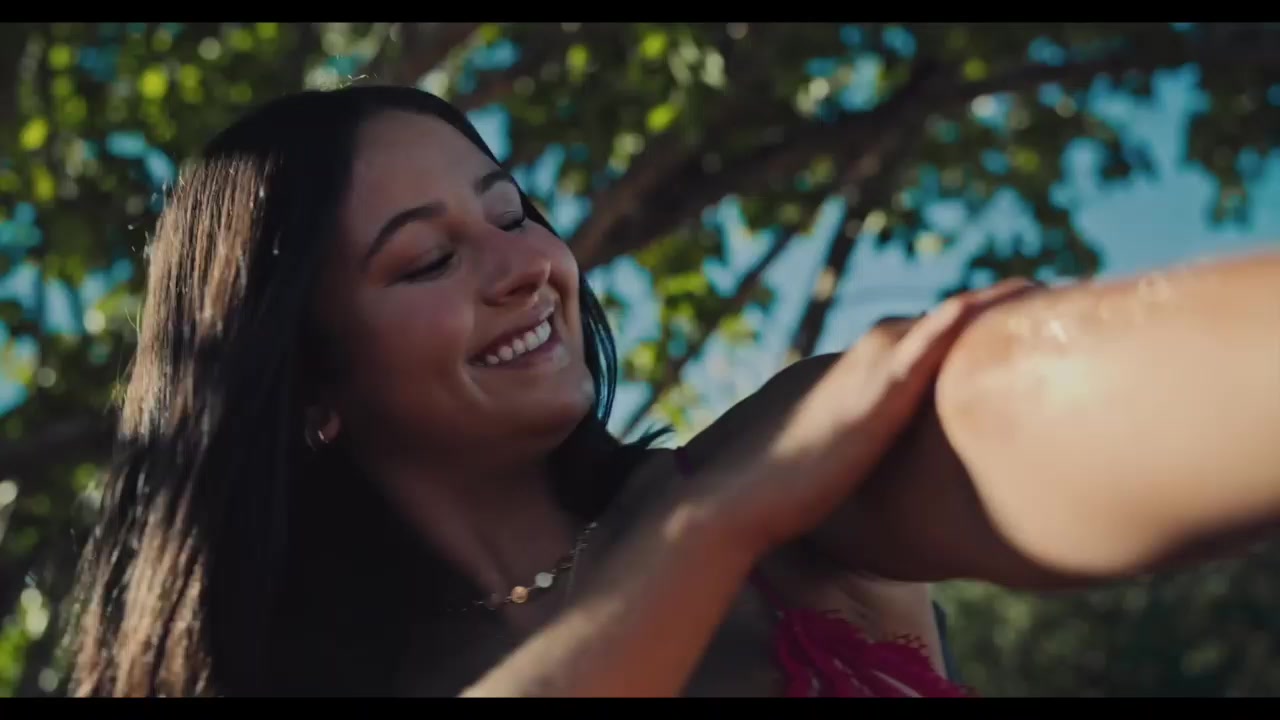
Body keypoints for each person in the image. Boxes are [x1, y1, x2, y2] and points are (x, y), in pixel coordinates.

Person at [65, 84, 1280, 698]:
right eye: (427, 260)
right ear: (309, 388)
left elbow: (1008, 410)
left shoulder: (771, 476)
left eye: (512, 211)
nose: (525, 268)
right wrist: (709, 534)